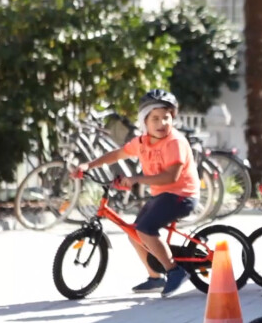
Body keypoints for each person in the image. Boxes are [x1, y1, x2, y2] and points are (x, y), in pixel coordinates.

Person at [72, 90, 199, 297]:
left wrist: (136, 179)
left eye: (166, 117)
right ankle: (155, 277)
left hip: (182, 195)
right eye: (155, 118)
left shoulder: (174, 142)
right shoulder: (141, 142)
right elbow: (117, 154)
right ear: (144, 122)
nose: (162, 123)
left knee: (146, 229)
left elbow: (171, 177)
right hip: (162, 195)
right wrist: (89, 165)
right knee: (134, 232)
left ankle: (175, 271)